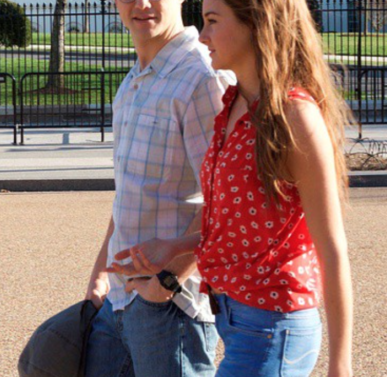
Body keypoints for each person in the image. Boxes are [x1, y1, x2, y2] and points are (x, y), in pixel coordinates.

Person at [108, 0, 354, 376]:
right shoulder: (233, 104)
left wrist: (341, 365)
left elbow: (332, 250)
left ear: (256, 24)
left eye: (211, 21)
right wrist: (174, 247)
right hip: (235, 319)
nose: (203, 34)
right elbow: (231, 216)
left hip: (275, 324)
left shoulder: (295, 118)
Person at [82, 0, 231, 376]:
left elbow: (225, 205)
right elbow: (130, 195)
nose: (142, 4)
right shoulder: (135, 79)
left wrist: (166, 283)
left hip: (170, 309)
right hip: (117, 299)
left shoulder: (202, 77)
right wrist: (100, 273)